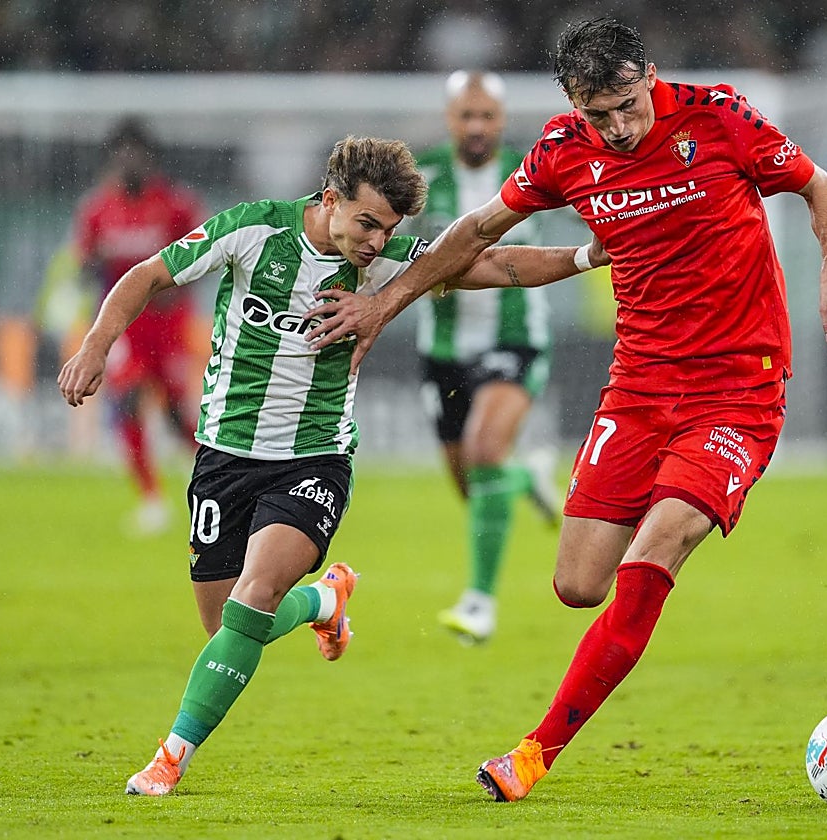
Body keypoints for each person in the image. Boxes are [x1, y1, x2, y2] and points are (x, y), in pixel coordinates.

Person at [305, 20, 827, 802]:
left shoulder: (718, 116)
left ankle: (534, 753)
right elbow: (477, 234)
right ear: (574, 103)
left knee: (657, 548)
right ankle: (653, 528)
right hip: (638, 388)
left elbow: (821, 187)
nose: (621, 127)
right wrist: (380, 304)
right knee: (576, 584)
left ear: (651, 76)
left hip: (738, 388)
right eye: (600, 113)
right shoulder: (565, 150)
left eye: (630, 105)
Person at [57, 135, 609, 797]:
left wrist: (584, 255)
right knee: (226, 625)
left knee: (250, 602)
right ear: (330, 199)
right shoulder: (253, 230)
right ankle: (325, 600)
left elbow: (496, 263)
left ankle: (169, 756)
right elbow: (146, 275)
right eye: (367, 223)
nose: (377, 242)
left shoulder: (385, 264)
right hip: (224, 457)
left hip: (313, 459)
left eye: (390, 229)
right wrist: (96, 344)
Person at [415, 70, 560, 645]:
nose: (476, 126)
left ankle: (480, 603)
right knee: (474, 484)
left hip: (515, 339)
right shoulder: (421, 177)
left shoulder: (538, 171)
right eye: (465, 116)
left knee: (483, 449)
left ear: (501, 121)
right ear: (450, 119)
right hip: (443, 351)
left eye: (486, 117)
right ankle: (529, 477)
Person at [71, 118, 205, 535]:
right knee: (126, 402)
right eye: (121, 152)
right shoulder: (97, 209)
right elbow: (84, 261)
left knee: (171, 411)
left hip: (167, 325)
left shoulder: (175, 205)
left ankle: (207, 470)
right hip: (123, 326)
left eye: (136, 152)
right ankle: (151, 498)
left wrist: (177, 286)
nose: (128, 160)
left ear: (149, 158)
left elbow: (205, 257)